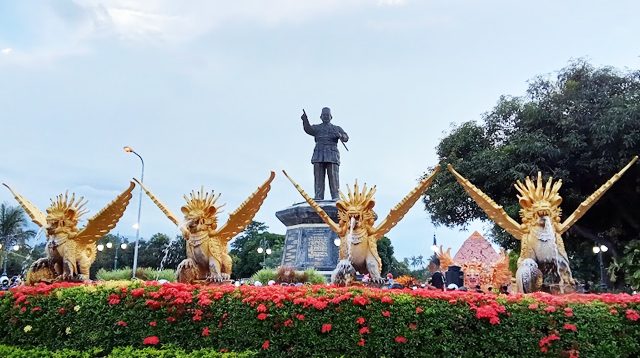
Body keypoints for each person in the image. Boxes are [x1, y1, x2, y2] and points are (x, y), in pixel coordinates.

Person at [301, 107, 349, 200]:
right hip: (319, 153)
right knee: (318, 176)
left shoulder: (336, 128)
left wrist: (341, 135)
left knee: (333, 176)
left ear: (331, 117)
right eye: (324, 115)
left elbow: (346, 138)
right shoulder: (317, 128)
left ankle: (335, 196)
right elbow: (308, 129)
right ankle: (318, 196)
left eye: (327, 115)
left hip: (332, 154)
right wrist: (305, 120)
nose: (326, 117)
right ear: (321, 117)